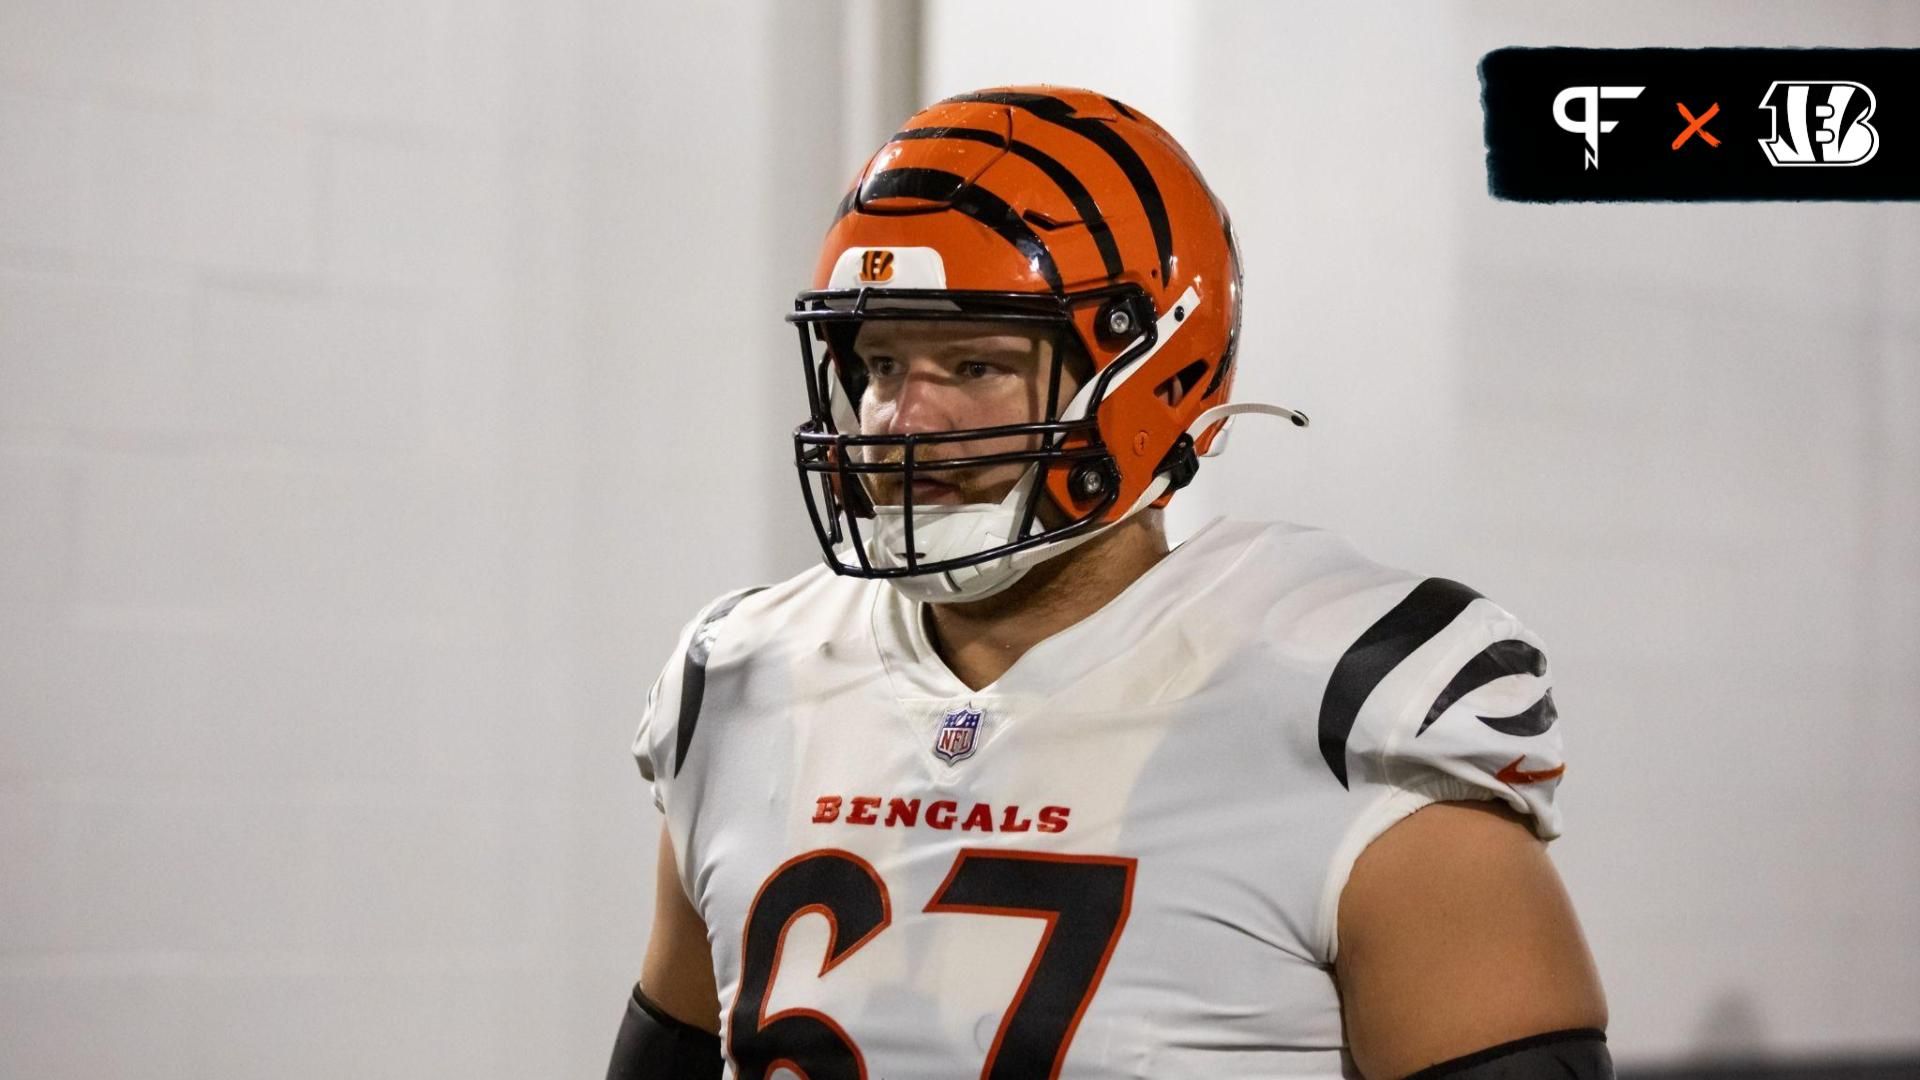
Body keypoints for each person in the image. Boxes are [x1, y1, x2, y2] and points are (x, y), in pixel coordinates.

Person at [608, 86, 1608, 1080]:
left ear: (1148, 375)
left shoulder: (1338, 703)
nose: (900, 423)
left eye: (971, 364)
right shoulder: (744, 680)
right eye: (878, 364)